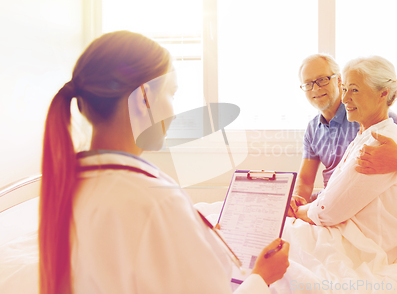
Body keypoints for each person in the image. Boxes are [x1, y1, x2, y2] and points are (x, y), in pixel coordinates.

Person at [39, 30, 289, 294]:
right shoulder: (156, 202)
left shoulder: (70, 185)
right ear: (144, 99)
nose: (173, 110)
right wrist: (261, 277)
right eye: (171, 93)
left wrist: (190, 232)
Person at [293, 55, 397, 263]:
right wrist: (296, 204)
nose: (345, 99)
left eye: (354, 90)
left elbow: (330, 210)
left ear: (383, 94)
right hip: (334, 206)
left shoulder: (381, 140)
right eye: (308, 83)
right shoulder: (363, 133)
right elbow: (309, 183)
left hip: (355, 234)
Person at [289, 53, 397, 215]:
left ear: (339, 80)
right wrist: (295, 200)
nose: (316, 88)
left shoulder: (369, 114)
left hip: (358, 205)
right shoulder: (313, 128)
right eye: (308, 83)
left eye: (322, 80)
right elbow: (305, 180)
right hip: (329, 199)